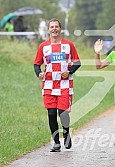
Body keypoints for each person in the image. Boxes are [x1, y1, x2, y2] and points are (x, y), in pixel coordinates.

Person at [33, 18, 81, 152]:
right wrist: (39, 74)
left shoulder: (68, 45)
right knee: (51, 114)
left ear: (60, 29)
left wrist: (69, 71)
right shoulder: (43, 46)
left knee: (63, 113)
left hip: (65, 84)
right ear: (48, 30)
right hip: (48, 84)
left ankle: (66, 134)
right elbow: (37, 64)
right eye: (52, 27)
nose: (54, 29)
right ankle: (56, 142)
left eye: (56, 27)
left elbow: (77, 62)